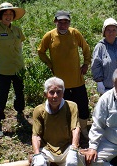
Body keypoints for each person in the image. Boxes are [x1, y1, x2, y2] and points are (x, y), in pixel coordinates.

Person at [37, 10, 91, 140]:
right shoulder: (49, 36)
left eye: (65, 22)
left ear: (69, 23)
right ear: (55, 22)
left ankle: (83, 129)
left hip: (77, 80)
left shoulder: (74, 33)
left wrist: (86, 64)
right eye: (60, 22)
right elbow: (41, 52)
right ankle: (68, 132)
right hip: (60, 83)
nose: (63, 25)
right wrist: (51, 65)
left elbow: (86, 48)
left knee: (82, 105)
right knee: (63, 107)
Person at [28, 77, 87, 166]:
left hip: (66, 148)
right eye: (52, 92)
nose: (55, 96)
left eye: (58, 92)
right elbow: (36, 135)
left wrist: (74, 149)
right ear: (45, 94)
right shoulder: (39, 111)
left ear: (63, 93)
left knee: (77, 164)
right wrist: (37, 154)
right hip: (47, 150)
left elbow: (75, 128)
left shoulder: (71, 106)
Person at [0, 2, 26, 138]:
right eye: (5, 14)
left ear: (13, 16)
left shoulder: (17, 30)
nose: (8, 16)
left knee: (19, 92)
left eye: (10, 14)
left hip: (18, 68)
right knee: (2, 96)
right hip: (3, 69)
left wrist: (22, 64)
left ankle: (20, 113)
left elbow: (20, 48)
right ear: (0, 16)